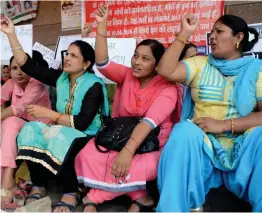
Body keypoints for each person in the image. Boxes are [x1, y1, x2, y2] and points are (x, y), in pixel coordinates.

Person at [74, 5, 181, 212]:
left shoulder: (168, 88)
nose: (137, 62)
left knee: (139, 165)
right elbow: (102, 63)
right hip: (118, 138)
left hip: (151, 145)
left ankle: (94, 198)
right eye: (135, 56)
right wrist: (101, 26)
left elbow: (149, 123)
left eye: (145, 58)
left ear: (158, 64)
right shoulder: (127, 75)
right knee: (88, 155)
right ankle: (139, 196)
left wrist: (128, 151)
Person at [0, 16, 109, 212]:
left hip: (88, 133)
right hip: (63, 129)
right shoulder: (61, 78)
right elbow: (29, 66)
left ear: (86, 64)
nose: (67, 58)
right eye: (68, 54)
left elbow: (83, 123)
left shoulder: (94, 85)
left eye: (74, 56)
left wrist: (50, 114)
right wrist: (11, 35)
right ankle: (38, 184)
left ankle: (71, 191)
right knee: (31, 129)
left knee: (60, 134)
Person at [156, 14, 262, 212]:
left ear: (238, 38)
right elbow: (165, 71)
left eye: (219, 31)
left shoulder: (257, 69)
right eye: (211, 32)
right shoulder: (200, 64)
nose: (211, 36)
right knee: (183, 131)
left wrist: (223, 125)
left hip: (243, 149)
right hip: (202, 146)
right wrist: (184, 34)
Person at [1, 55, 51, 209]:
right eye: (14, 68)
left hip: (41, 130)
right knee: (7, 124)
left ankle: (8, 180)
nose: (19, 72)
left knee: (9, 121)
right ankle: (6, 183)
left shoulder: (37, 84)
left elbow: (19, 108)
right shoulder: (11, 83)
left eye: (23, 67)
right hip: (19, 128)